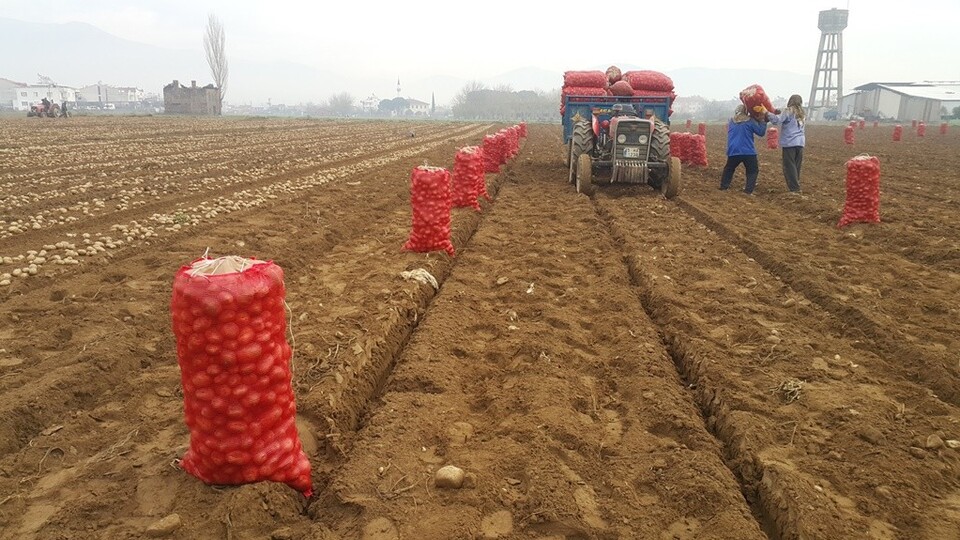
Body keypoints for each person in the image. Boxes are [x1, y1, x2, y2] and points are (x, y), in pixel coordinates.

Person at [720, 104, 767, 195]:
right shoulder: (750, 121)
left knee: (729, 169)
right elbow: (760, 132)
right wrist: (762, 120)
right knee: (752, 170)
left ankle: (724, 186)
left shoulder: (731, 121)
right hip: (748, 151)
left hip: (733, 150)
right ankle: (748, 191)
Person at [766, 95, 806, 194]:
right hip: (800, 143)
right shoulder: (802, 113)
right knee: (796, 166)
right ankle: (796, 185)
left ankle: (794, 189)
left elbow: (776, 120)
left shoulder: (788, 111)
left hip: (790, 142)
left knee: (789, 166)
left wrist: (766, 113)